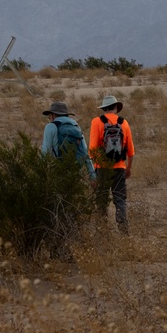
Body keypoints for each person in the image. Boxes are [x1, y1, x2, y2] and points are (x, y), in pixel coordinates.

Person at [89, 95, 135, 234]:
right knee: (120, 200)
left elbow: (92, 149)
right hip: (119, 167)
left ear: (104, 109)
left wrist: (96, 168)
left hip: (102, 168)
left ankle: (102, 232)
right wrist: (128, 168)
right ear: (116, 108)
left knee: (101, 201)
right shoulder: (124, 123)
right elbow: (131, 151)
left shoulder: (96, 122)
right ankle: (123, 231)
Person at [40, 101, 96, 181]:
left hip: (57, 170)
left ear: (54, 115)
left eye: (49, 115)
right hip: (75, 171)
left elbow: (45, 151)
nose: (49, 118)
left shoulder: (51, 127)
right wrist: (92, 176)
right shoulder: (76, 127)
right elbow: (84, 152)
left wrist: (41, 173)